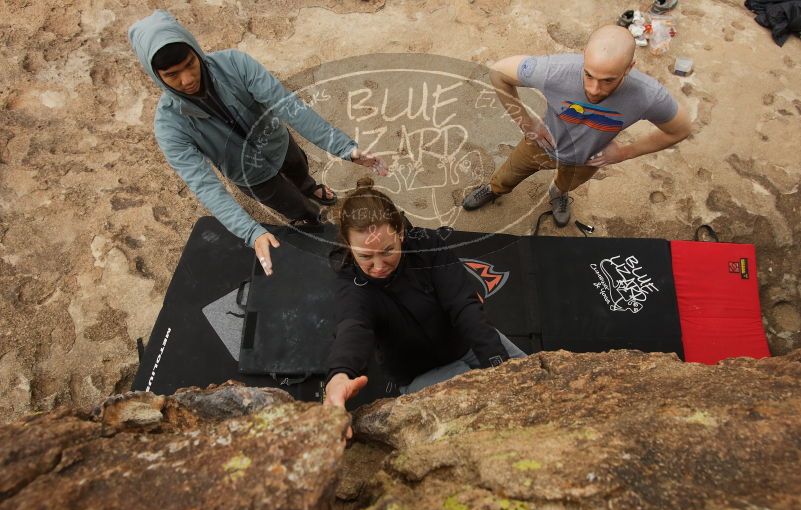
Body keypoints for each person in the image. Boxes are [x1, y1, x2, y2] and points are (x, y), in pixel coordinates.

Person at [128, 11, 386, 276]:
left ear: (196, 50)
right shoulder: (169, 126)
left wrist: (344, 147)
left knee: (300, 171)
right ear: (155, 75)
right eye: (172, 75)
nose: (187, 79)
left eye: (189, 64)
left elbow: (289, 107)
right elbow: (204, 185)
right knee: (291, 205)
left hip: (280, 144)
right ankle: (311, 217)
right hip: (251, 177)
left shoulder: (235, 64)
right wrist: (251, 231)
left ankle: (311, 188)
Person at [324, 178, 526, 413]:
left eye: (388, 250)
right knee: (486, 409)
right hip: (417, 373)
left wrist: (499, 365)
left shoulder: (427, 246)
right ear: (349, 247)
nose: (379, 266)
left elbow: (463, 305)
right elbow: (353, 327)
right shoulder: (351, 285)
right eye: (366, 256)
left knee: (527, 381)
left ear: (400, 232)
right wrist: (339, 375)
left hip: (464, 341)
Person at [463, 25, 692, 227]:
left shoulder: (648, 95)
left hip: (588, 158)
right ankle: (494, 190)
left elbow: (680, 130)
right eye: (589, 75)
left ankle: (558, 194)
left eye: (608, 80)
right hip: (541, 145)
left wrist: (625, 152)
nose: (593, 89)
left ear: (629, 68)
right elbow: (499, 72)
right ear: (584, 57)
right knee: (509, 173)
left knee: (567, 184)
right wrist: (525, 122)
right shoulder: (554, 70)